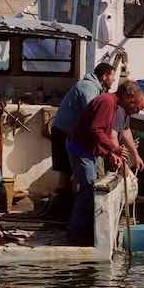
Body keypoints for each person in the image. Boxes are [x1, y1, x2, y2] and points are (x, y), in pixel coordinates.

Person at [66, 81, 144, 245]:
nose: (135, 111)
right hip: (80, 149)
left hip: (89, 150)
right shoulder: (107, 102)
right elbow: (96, 130)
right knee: (88, 190)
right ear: (128, 97)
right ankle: (76, 234)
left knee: (90, 190)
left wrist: (109, 153)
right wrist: (114, 148)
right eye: (135, 106)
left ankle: (83, 230)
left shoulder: (113, 105)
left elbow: (99, 132)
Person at [48, 63, 116, 218]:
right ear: (104, 76)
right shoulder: (88, 87)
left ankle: (68, 211)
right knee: (66, 174)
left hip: (69, 132)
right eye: (112, 76)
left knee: (71, 174)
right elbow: (93, 114)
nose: (113, 80)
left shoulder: (95, 87)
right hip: (64, 132)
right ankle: (63, 212)